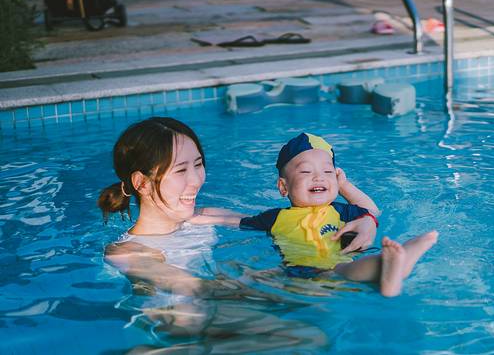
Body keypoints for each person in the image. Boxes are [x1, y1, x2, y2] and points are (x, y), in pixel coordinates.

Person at [98, 117, 325, 352]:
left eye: (198, 165)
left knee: (312, 333)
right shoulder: (126, 250)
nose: (196, 180)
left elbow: (283, 223)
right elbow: (191, 287)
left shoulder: (204, 217)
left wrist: (353, 221)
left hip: (214, 312)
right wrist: (276, 282)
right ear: (142, 183)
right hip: (171, 334)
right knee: (309, 337)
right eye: (181, 170)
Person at [220, 133, 439, 298]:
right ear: (283, 187)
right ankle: (393, 270)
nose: (319, 177)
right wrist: (201, 216)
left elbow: (371, 211)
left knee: (358, 268)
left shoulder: (339, 210)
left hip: (340, 265)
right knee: (257, 279)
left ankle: (397, 263)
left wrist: (345, 187)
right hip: (299, 271)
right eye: (306, 171)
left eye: (327, 172)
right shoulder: (275, 217)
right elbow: (235, 220)